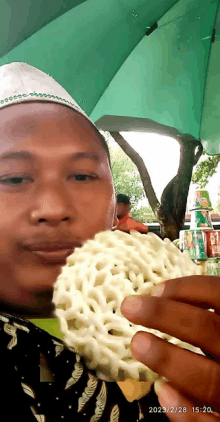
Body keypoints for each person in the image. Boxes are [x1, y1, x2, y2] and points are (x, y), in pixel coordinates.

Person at [0, 62, 219, 422]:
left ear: (113, 200)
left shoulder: (179, 328)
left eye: (83, 175)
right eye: (13, 179)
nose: (53, 208)